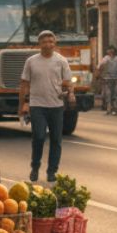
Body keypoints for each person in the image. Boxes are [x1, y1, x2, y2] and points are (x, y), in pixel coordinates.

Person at [18, 30, 74, 183]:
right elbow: (25, 84)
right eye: (45, 42)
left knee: (56, 140)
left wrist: (71, 93)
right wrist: (23, 104)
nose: (48, 44)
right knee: (39, 137)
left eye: (51, 41)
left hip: (56, 105)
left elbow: (68, 81)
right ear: (39, 44)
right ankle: (35, 167)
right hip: (37, 105)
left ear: (54, 44)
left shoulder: (61, 61)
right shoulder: (31, 61)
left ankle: (52, 171)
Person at [96, 45, 117, 115]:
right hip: (111, 79)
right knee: (112, 94)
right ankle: (112, 108)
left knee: (111, 94)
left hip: (110, 79)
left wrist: (99, 74)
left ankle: (112, 108)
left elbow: (100, 66)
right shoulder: (114, 58)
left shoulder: (108, 58)